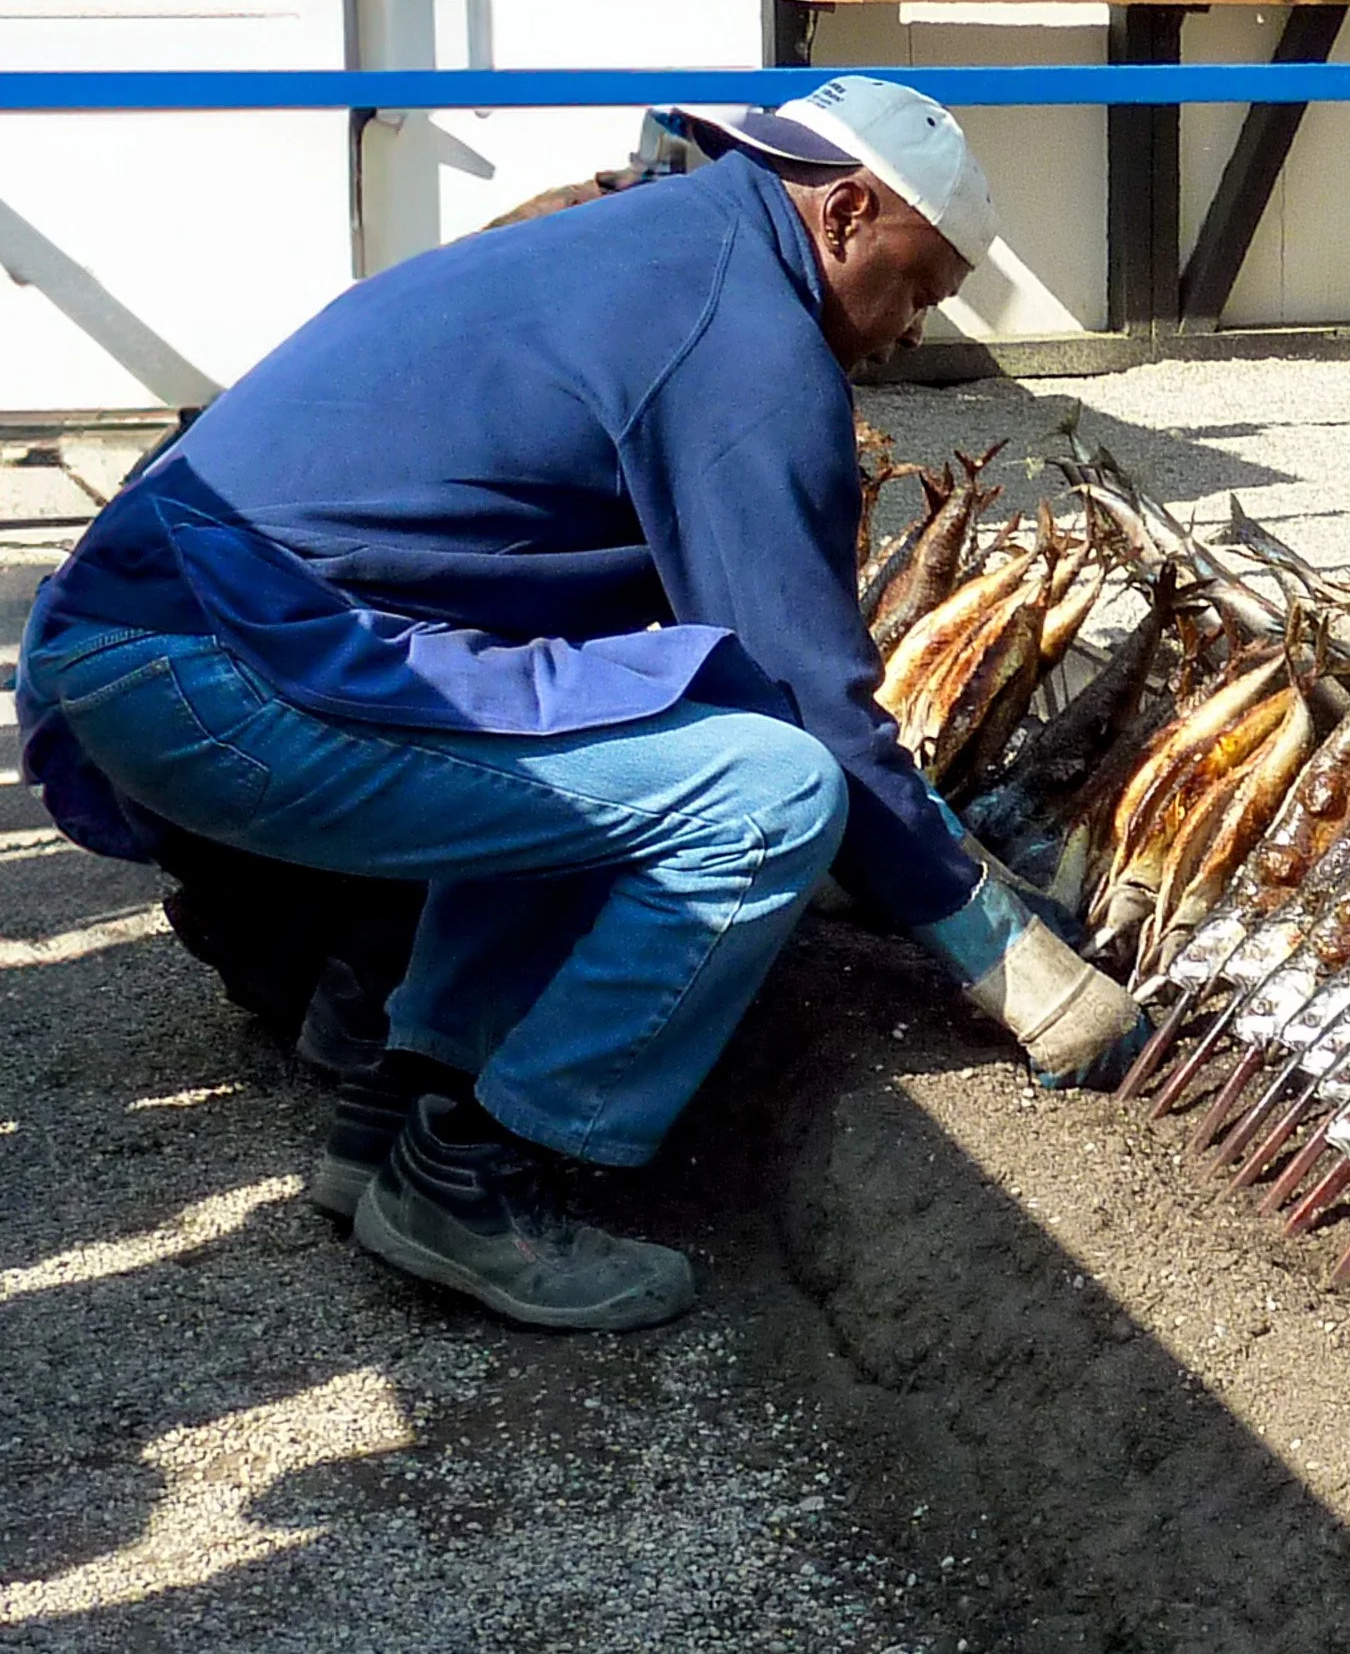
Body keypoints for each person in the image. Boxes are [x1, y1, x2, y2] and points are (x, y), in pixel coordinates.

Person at [14, 76, 1149, 1333]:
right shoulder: (748, 338)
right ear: (845, 211)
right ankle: (484, 1174)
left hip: (137, 634)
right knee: (767, 795)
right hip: (219, 667)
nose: (907, 333)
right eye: (920, 284)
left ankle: (399, 1114)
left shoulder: (637, 238)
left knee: (612, 730)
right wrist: (1012, 960)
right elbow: (815, 711)